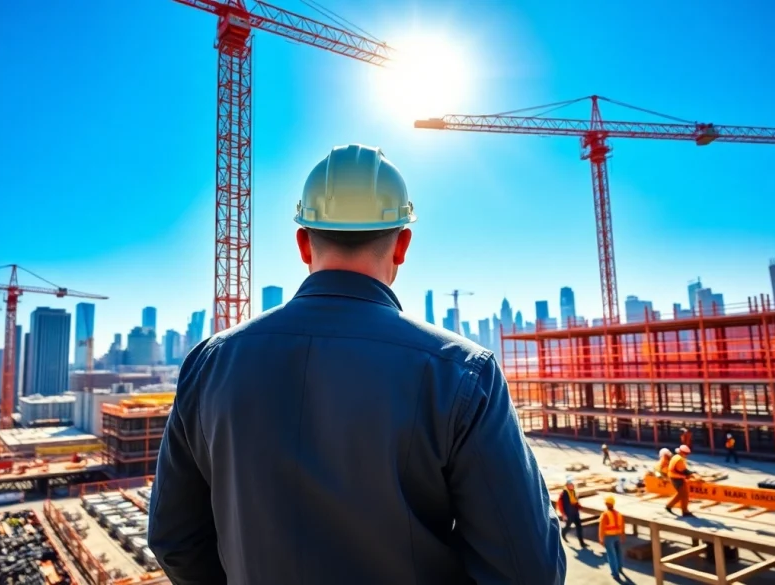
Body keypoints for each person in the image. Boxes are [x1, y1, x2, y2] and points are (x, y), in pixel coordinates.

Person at [147, 144, 566, 585]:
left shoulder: (209, 365)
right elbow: (528, 570)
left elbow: (174, 539)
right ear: (402, 243)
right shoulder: (460, 373)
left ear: (303, 242)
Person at [598, 495, 626, 580]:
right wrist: (622, 535)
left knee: (611, 555)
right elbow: (622, 526)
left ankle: (615, 573)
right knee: (618, 553)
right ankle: (620, 568)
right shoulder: (619, 514)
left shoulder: (605, 515)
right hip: (617, 535)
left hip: (608, 537)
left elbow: (601, 528)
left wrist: (601, 539)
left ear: (607, 504)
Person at [557, 477, 587, 548]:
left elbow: (575, 501)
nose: (572, 485)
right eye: (571, 484)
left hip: (575, 513)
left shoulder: (573, 492)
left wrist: (579, 506)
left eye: (573, 484)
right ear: (567, 485)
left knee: (579, 527)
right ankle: (563, 533)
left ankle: (582, 543)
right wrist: (563, 514)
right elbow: (560, 504)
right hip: (569, 514)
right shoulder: (563, 493)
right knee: (568, 526)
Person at [666, 445, 695, 517]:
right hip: (677, 478)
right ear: (683, 452)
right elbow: (683, 470)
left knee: (681, 494)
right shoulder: (679, 459)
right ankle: (684, 511)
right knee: (684, 495)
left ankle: (669, 506)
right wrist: (691, 474)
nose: (687, 455)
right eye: (686, 454)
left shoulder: (676, 457)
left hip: (674, 477)